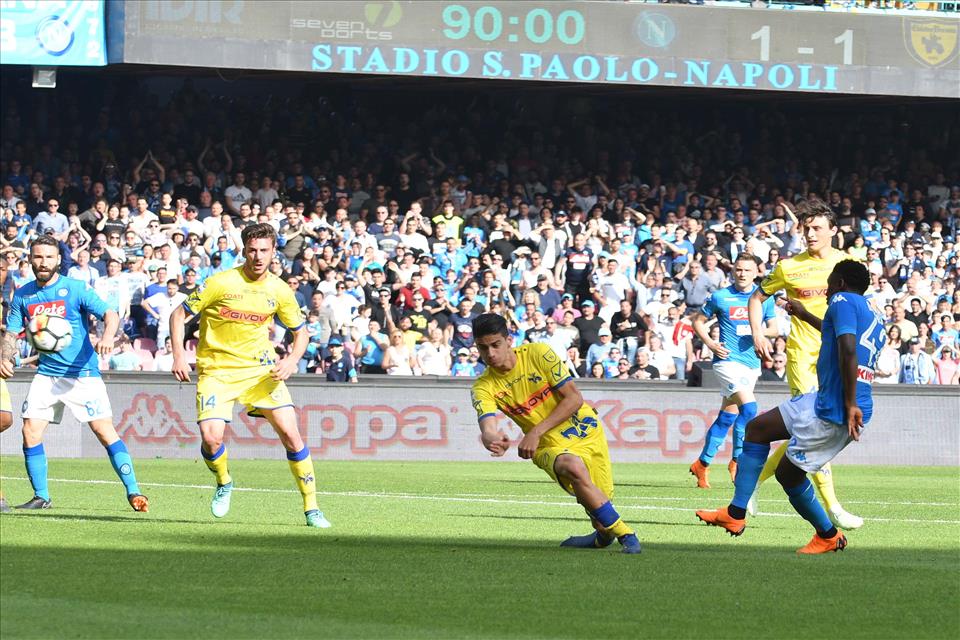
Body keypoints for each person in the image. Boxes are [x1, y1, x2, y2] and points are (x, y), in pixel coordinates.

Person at [697, 260, 885, 554]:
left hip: (837, 408)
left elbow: (847, 349)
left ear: (840, 283)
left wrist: (849, 404)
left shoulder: (841, 299)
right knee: (757, 429)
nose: (826, 288)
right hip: (826, 399)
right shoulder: (869, 308)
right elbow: (837, 336)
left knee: (788, 475)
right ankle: (734, 515)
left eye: (830, 281)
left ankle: (828, 535)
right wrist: (805, 314)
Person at [170, 223, 331, 529]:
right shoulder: (219, 282)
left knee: (291, 435)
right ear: (244, 250)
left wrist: (292, 360)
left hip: (261, 372)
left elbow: (301, 333)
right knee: (210, 437)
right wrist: (179, 354)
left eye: (264, 251)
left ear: (273, 252)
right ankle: (224, 480)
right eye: (252, 250)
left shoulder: (280, 290)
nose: (258, 257)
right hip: (217, 371)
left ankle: (312, 508)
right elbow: (178, 315)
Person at [469, 313, 641, 554]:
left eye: (495, 345)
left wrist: (535, 431)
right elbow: (487, 425)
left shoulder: (539, 353)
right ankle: (627, 535)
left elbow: (574, 398)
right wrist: (491, 438)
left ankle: (601, 537)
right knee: (572, 466)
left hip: (585, 431)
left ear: (509, 340)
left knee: (601, 515)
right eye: (483, 348)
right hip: (546, 446)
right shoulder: (483, 386)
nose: (490, 354)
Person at [2, 235, 148, 511]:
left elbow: (110, 314)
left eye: (48, 257)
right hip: (47, 374)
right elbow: (10, 332)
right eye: (37, 257)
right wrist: (5, 356)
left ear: (58, 260)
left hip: (83, 374)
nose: (42, 262)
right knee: (30, 430)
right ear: (30, 259)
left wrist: (107, 336)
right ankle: (41, 496)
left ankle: (134, 492)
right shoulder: (23, 294)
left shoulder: (75, 288)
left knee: (104, 432)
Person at [747, 199, 861, 530]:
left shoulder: (847, 264)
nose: (809, 234)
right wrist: (758, 333)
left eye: (816, 228)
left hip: (837, 357)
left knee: (812, 430)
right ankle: (833, 508)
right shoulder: (787, 267)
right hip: (803, 357)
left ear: (833, 232)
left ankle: (752, 483)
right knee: (813, 426)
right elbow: (757, 298)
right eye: (805, 228)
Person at [689, 254, 777, 489]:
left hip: (751, 363)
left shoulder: (763, 298)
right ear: (733, 271)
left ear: (755, 272)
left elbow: (775, 328)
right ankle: (737, 461)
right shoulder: (721, 296)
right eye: (738, 269)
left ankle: (702, 464)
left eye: (747, 270)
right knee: (749, 409)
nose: (742, 274)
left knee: (727, 416)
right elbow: (697, 321)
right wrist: (709, 342)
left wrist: (758, 332)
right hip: (726, 361)